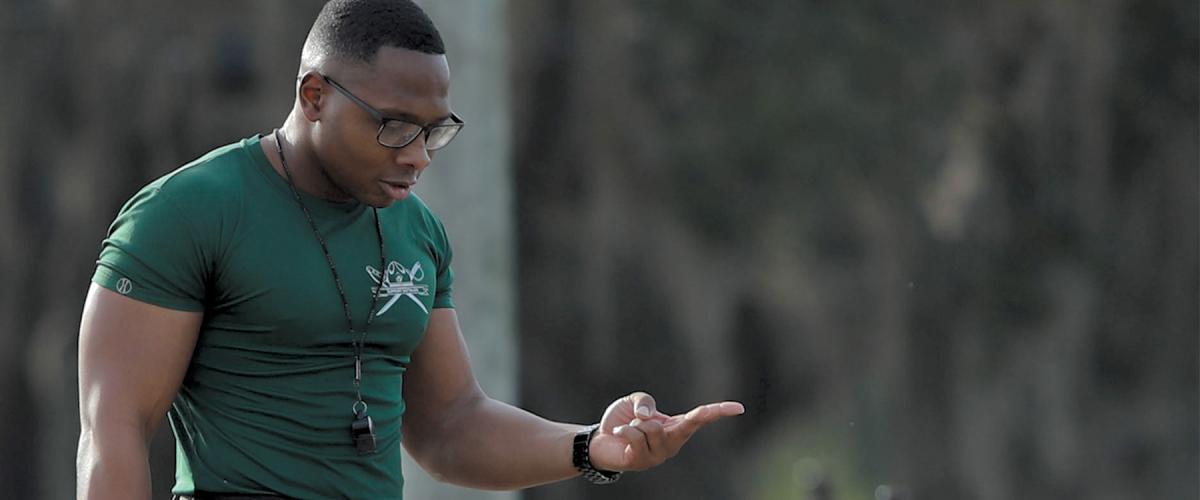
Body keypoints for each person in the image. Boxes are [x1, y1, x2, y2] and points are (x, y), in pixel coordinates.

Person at [75, 1, 744, 498]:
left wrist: (591, 447)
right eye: (394, 127)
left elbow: (450, 425)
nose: (419, 157)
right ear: (314, 97)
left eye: (435, 132)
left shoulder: (417, 230)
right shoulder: (186, 213)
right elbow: (115, 431)